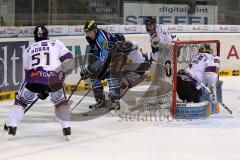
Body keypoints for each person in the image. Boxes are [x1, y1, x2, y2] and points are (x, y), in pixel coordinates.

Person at [4, 25, 73, 139]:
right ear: (47, 35)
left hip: (34, 79)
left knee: (21, 101)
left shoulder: (28, 49)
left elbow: (27, 71)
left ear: (35, 37)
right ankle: (66, 129)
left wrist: (40, 87)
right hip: (54, 80)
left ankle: (12, 127)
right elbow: (68, 59)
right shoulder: (56, 43)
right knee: (60, 103)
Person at [80, 20, 125, 110]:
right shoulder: (90, 37)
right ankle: (100, 101)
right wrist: (91, 67)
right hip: (107, 56)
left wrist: (90, 68)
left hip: (116, 57)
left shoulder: (101, 38)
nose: (88, 34)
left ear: (95, 30)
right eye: (86, 32)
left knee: (111, 76)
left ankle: (115, 102)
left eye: (89, 32)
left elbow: (103, 57)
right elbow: (95, 50)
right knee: (94, 77)